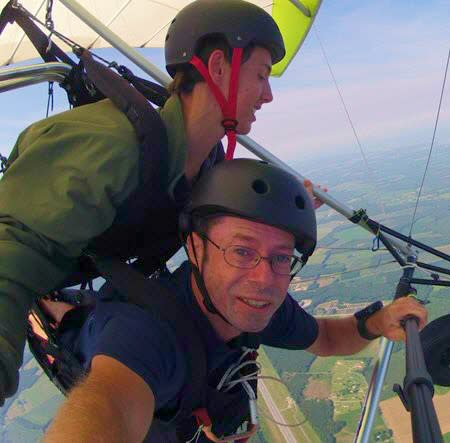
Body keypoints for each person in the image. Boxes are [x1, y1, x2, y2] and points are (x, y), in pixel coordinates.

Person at [0, 0, 289, 403]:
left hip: (82, 271)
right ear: (220, 66)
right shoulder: (110, 145)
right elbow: (11, 255)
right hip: (40, 272)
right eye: (261, 75)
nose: (269, 95)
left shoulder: (200, 165)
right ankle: (52, 315)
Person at [40, 158, 428, 442]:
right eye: (242, 252)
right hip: (96, 336)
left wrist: (378, 323)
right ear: (194, 248)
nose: (264, 280)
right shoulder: (146, 337)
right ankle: (51, 309)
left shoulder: (256, 306)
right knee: (72, 323)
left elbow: (327, 338)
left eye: (281, 258)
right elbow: (107, 407)